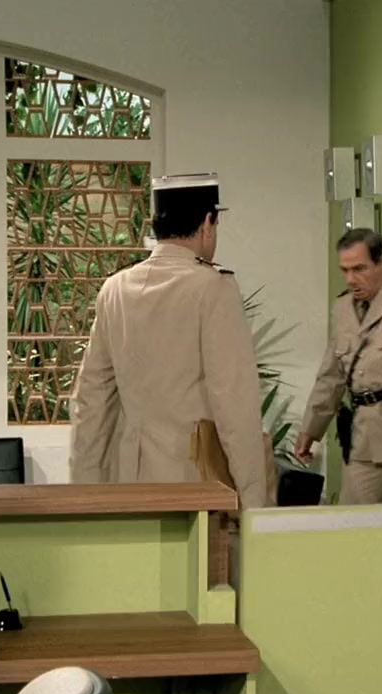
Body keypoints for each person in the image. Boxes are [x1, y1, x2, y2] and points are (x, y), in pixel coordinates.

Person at [70, 172, 269, 509]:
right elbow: (235, 403)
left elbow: (91, 398)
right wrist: (253, 498)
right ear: (207, 224)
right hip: (194, 481)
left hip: (127, 479)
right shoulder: (213, 288)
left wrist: (84, 488)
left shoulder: (115, 289)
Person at [296, 228, 382, 504]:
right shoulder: (343, 308)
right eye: (345, 270)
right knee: (351, 519)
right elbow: (331, 375)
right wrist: (311, 429)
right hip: (365, 435)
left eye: (359, 269)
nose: (351, 279)